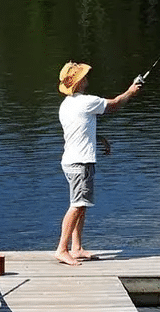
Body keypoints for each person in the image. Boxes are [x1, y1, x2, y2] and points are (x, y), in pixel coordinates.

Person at [54, 61, 141, 266]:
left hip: (71, 161)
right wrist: (130, 91)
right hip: (80, 163)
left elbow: (79, 129)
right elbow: (114, 104)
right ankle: (62, 249)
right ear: (79, 81)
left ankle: (76, 248)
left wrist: (99, 138)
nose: (87, 78)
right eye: (84, 76)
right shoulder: (86, 102)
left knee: (81, 205)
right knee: (76, 205)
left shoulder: (66, 105)